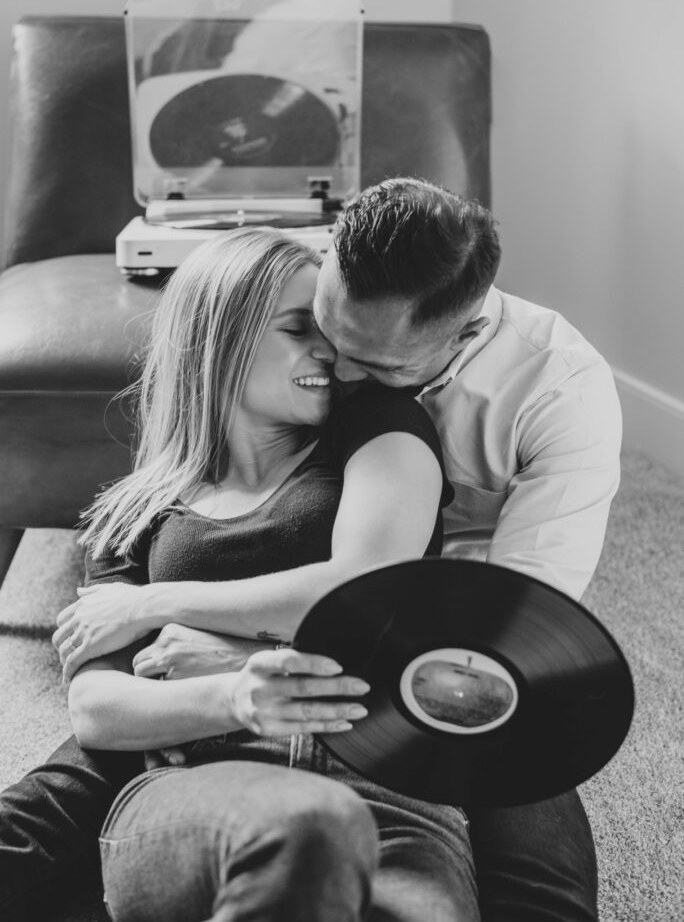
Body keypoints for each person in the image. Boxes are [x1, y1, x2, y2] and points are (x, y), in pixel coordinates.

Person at [55, 178, 621, 922]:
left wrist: (209, 638)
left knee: (524, 755)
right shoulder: (330, 296)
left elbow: (495, 643)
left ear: (463, 333)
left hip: (450, 636)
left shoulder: (561, 397)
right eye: (323, 330)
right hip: (250, 721)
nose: (341, 375)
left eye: (378, 366)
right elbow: (101, 696)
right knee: (67, 795)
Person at [1, 227, 478, 922]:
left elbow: (368, 595)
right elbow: (96, 709)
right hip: (199, 788)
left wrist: (157, 605)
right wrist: (236, 697)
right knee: (310, 827)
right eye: (300, 329)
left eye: (333, 332)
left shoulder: (380, 428)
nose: (334, 354)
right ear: (221, 335)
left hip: (394, 793)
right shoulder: (137, 510)